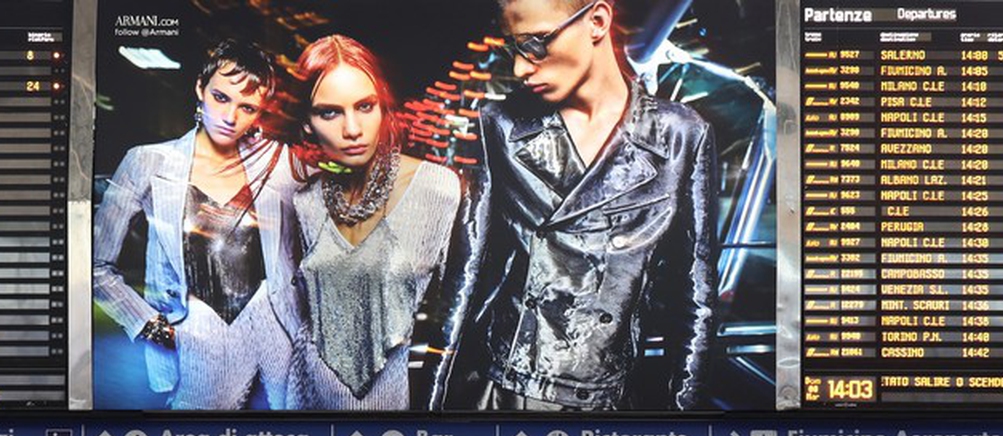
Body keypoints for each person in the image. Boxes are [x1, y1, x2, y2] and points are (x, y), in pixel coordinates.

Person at [432, 0, 716, 411]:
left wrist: (681, 431)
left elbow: (695, 303)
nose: (520, 68)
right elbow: (465, 281)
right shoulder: (499, 124)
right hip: (497, 397)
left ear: (597, 22)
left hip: (607, 405)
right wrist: (431, 411)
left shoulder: (681, 135)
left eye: (535, 43)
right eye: (515, 47)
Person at [93, 39, 295, 409]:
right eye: (221, 97)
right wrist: (148, 324)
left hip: (276, 350)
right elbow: (95, 266)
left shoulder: (281, 169)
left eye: (247, 107)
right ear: (200, 89)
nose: (231, 116)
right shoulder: (147, 163)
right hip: (195, 347)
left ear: (259, 113)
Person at [271, 36, 463, 410]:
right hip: (305, 397)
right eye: (330, 112)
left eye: (365, 106)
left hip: (396, 401)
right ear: (307, 123)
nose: (353, 129)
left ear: (382, 108)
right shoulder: (305, 201)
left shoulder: (437, 189)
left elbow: (466, 311)